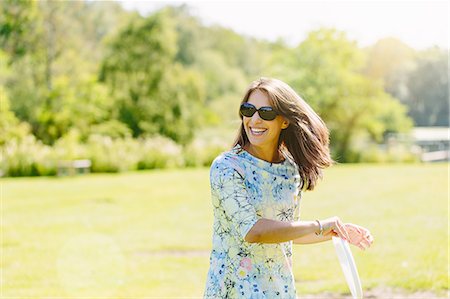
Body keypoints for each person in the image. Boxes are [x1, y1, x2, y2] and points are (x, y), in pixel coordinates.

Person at [203, 77, 374, 298]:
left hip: (279, 291)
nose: (254, 120)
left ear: (284, 121)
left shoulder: (289, 170)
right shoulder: (227, 167)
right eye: (248, 110)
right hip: (234, 291)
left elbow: (287, 232)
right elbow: (254, 231)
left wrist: (332, 232)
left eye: (266, 112)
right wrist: (319, 224)